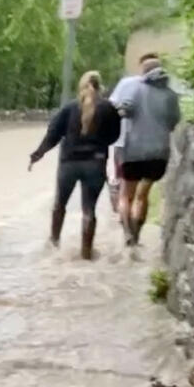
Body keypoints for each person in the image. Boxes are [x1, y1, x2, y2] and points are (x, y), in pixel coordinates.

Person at [28, 70, 121, 259]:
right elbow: (115, 136)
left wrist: (38, 154)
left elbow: (53, 134)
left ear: (81, 86)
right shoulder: (109, 108)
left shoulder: (69, 108)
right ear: (100, 87)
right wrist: (100, 143)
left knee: (59, 205)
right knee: (89, 210)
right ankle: (86, 255)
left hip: (69, 164)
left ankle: (54, 246)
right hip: (95, 164)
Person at [110, 54, 181, 246]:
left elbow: (124, 111)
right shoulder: (171, 95)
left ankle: (127, 234)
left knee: (126, 195)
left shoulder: (134, 88)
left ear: (144, 71)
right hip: (159, 153)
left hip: (132, 151)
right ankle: (137, 236)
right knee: (143, 196)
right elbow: (174, 122)